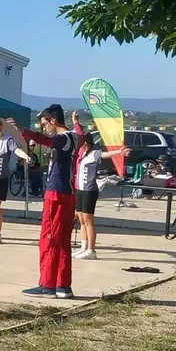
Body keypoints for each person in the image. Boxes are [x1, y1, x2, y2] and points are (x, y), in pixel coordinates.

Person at [15, 106, 76, 299]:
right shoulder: (75, 137)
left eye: (44, 124)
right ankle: (63, 285)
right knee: (63, 241)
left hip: (57, 193)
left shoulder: (64, 138)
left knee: (49, 238)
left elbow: (49, 140)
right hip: (68, 193)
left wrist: (23, 130)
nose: (44, 129)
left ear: (52, 120)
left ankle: (47, 284)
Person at [71, 111, 104, 259]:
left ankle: (92, 249)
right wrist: (75, 122)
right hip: (79, 188)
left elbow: (105, 155)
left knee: (88, 219)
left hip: (90, 189)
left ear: (87, 142)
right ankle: (84, 246)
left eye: (82, 141)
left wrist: (119, 152)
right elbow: (78, 133)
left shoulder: (94, 153)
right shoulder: (80, 153)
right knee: (81, 218)